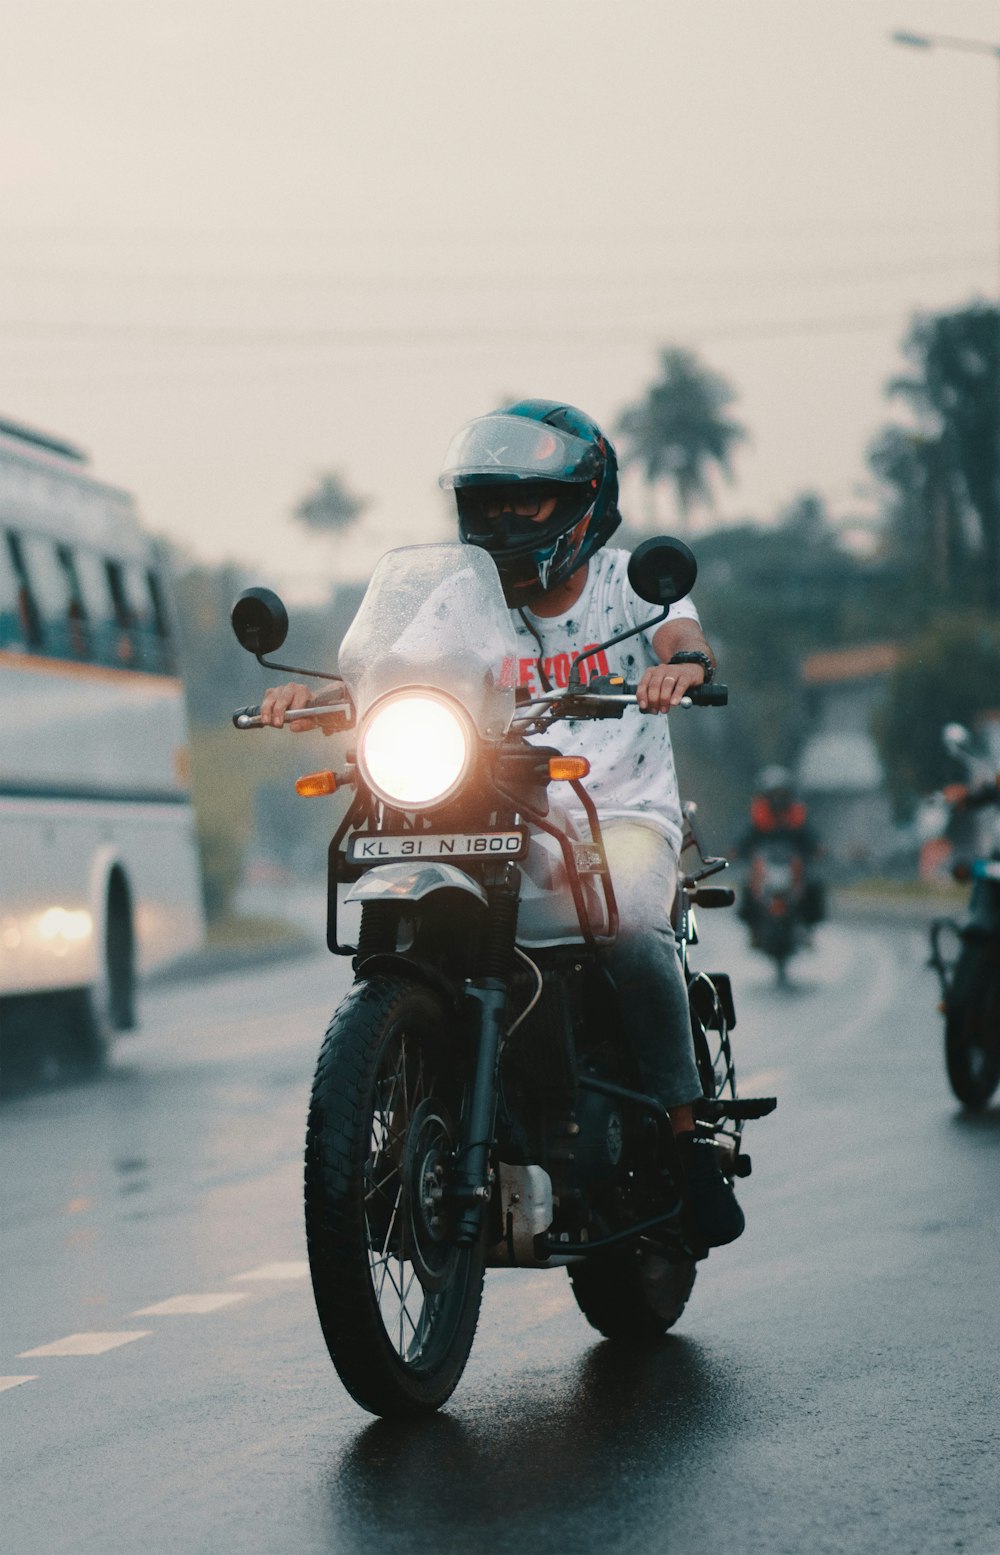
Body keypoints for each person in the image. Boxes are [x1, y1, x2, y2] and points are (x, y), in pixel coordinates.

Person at [259, 398, 744, 1248]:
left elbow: (682, 636)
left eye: (530, 500)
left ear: (584, 500)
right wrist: (320, 696)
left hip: (618, 813)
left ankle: (684, 1138)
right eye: (489, 502)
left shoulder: (632, 584)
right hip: (495, 810)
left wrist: (686, 667)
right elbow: (395, 670)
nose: (506, 519)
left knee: (632, 926)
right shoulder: (461, 599)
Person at [737, 766, 825, 927]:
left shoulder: (796, 815)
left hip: (792, 864)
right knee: (747, 884)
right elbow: (747, 837)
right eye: (774, 794)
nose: (777, 799)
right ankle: (751, 924)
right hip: (766, 864)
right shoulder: (759, 815)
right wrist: (738, 850)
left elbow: (808, 836)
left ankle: (809, 924)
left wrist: (816, 849)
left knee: (813, 884)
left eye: (781, 794)